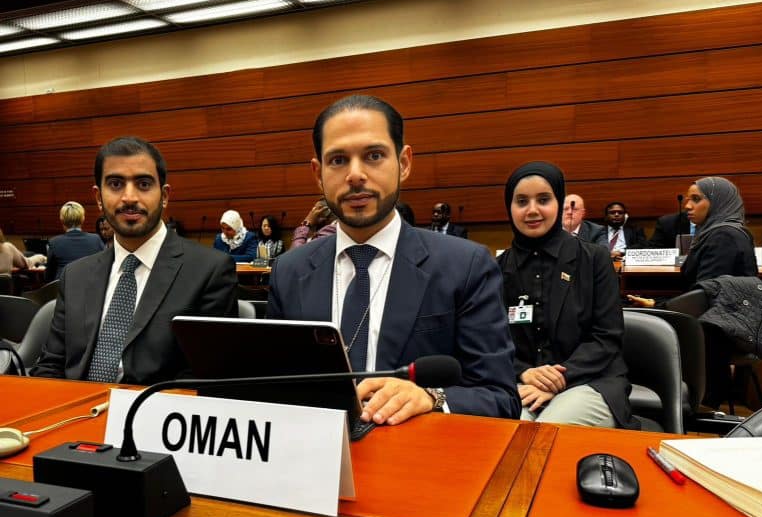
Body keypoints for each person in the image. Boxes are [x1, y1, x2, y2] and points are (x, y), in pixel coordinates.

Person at [268, 94, 520, 423]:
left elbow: (500, 398)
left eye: (374, 156)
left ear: (404, 163)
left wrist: (432, 397)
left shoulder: (465, 266)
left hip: (418, 449)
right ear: (318, 174)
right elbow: (272, 389)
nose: (355, 175)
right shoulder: (289, 272)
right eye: (338, 160)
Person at [31, 136, 237, 385]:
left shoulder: (210, 271)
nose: (129, 197)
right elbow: (51, 365)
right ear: (98, 198)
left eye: (143, 184)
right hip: (77, 405)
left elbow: (204, 380)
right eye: (115, 184)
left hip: (155, 407)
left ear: (164, 195)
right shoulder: (75, 275)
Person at [498, 163, 637, 428]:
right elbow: (491, 341)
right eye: (522, 201)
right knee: (508, 429)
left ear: (559, 203)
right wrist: (524, 372)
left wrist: (559, 378)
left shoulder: (594, 259)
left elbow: (607, 337)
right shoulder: (497, 269)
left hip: (590, 380)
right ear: (509, 207)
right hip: (521, 383)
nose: (532, 210)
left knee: (545, 433)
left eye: (543, 200)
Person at [630, 177, 758, 408]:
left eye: (696, 199)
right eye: (688, 199)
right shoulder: (722, 232)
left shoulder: (723, 237)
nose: (688, 205)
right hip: (717, 325)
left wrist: (658, 306)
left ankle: (664, 406)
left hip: (714, 335)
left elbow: (705, 297)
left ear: (718, 202)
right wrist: (658, 303)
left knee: (637, 328)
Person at [45, 201, 105, 281]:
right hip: (90, 285)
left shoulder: (54, 242)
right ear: (83, 219)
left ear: (62, 219)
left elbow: (48, 276)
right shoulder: (96, 239)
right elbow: (104, 267)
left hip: (64, 286)